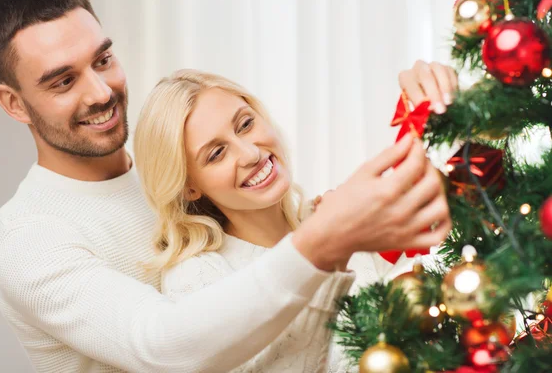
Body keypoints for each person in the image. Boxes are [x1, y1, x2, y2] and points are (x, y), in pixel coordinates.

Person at [0, 0, 454, 373]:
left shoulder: (172, 172)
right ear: (14, 103)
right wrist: (323, 245)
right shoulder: (30, 236)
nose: (101, 92)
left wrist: (428, 111)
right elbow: (163, 346)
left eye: (103, 60)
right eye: (63, 81)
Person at [133, 69, 455, 372]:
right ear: (190, 186)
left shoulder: (328, 215)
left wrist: (443, 113)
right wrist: (331, 251)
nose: (250, 154)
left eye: (245, 124)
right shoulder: (196, 279)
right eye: (217, 154)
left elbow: (450, 259)